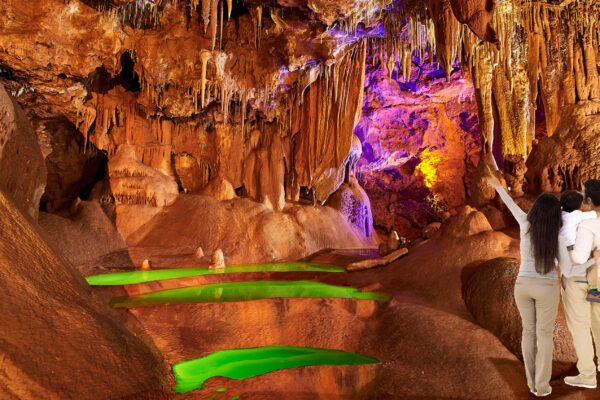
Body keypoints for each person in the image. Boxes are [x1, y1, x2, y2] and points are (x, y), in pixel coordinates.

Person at [489, 176, 568, 397]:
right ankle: (541, 387)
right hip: (546, 286)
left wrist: (498, 187)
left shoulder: (525, 223)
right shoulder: (557, 235)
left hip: (523, 285)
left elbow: (510, 204)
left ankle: (530, 381)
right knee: (544, 336)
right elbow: (568, 267)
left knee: (528, 332)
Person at [562, 179, 600, 389]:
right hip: (598, 281)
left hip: (582, 279)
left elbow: (578, 257)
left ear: (591, 200)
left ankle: (587, 374)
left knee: (580, 326)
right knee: (598, 321)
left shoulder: (586, 224)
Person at [559, 190, 598, 297]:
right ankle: (593, 290)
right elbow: (595, 214)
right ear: (580, 205)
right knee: (594, 258)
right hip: (569, 249)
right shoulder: (576, 215)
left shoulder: (560, 212)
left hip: (557, 249)